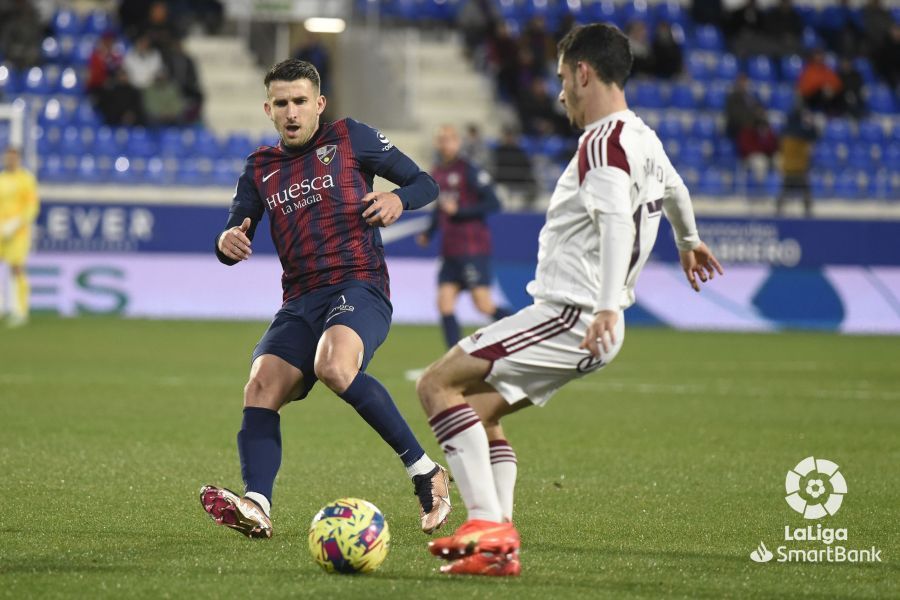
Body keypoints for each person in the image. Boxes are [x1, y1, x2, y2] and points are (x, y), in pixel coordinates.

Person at [415, 23, 723, 576]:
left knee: (436, 385)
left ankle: (486, 526)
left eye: (562, 78)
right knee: (478, 414)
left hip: (571, 316)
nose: (559, 94)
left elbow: (612, 225)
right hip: (587, 322)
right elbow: (675, 189)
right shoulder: (643, 137)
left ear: (584, 73)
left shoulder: (602, 143)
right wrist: (689, 239)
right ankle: (496, 544)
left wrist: (605, 303)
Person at [199, 59, 451, 539]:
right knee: (260, 387)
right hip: (299, 301)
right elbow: (236, 227)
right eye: (281, 104)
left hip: (359, 285)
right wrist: (226, 241)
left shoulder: (351, 138)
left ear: (319, 104)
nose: (291, 112)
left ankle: (425, 471)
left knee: (334, 366)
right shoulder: (259, 168)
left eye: (300, 102)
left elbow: (425, 182)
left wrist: (400, 199)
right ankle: (257, 503)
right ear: (268, 109)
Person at [417, 125, 511, 349]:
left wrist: (459, 211)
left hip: (472, 249)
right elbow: (439, 209)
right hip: (450, 251)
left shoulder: (470, 170)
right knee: (444, 303)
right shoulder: (437, 172)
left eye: (449, 139)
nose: (445, 144)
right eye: (441, 139)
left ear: (457, 143)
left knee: (484, 305)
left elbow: (494, 203)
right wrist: (429, 234)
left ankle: (523, 333)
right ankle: (454, 356)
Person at [0, 147, 39, 327]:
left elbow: (32, 206)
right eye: (8, 157)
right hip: (0, 230)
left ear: (19, 159)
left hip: (18, 232)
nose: (10, 160)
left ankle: (20, 311)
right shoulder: (1, 179)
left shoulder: (26, 179)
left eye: (13, 157)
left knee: (16, 268)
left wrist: (16, 223)